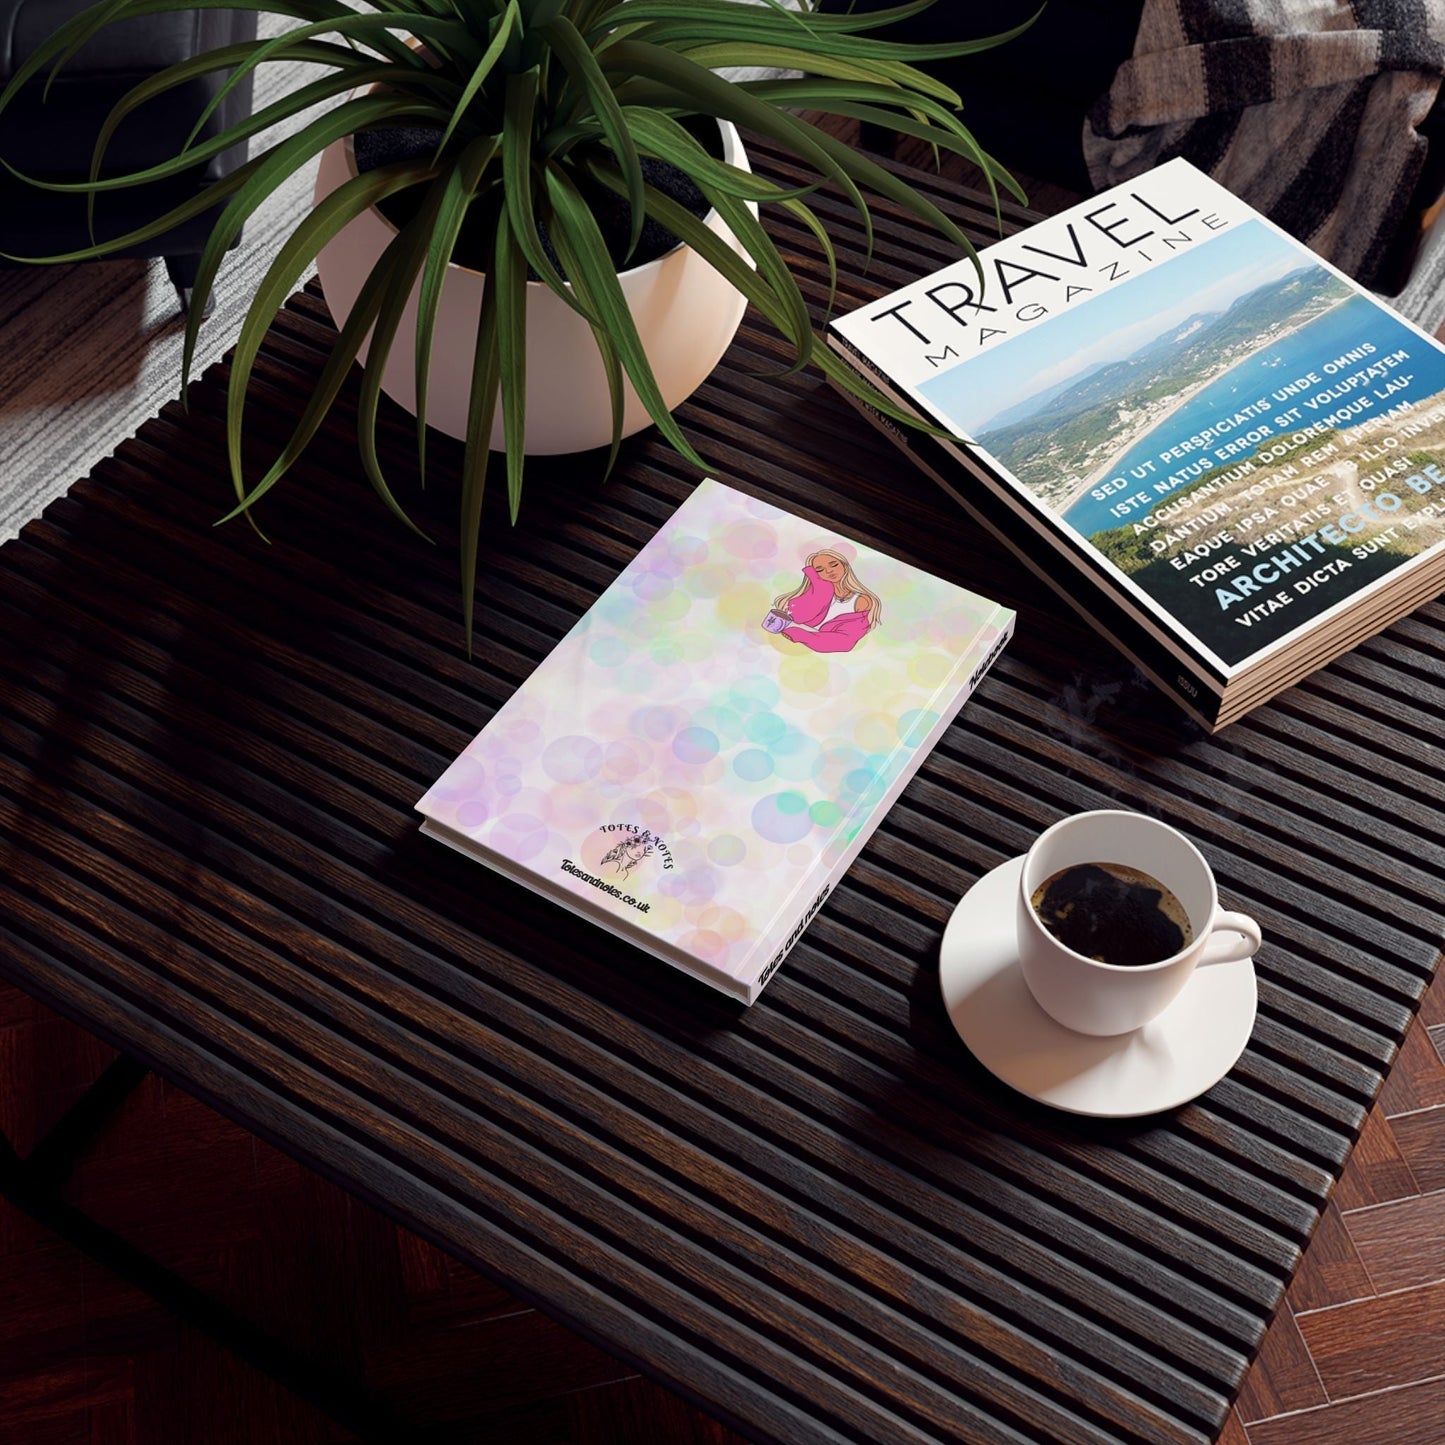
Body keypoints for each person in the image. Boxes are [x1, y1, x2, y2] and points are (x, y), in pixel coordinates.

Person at [762, 550, 883, 654]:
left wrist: (800, 635)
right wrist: (819, 587)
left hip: (819, 655)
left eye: (834, 565)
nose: (829, 571)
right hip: (785, 646)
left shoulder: (862, 601)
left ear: (844, 566)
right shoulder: (817, 593)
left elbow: (845, 642)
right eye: (820, 570)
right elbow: (795, 616)